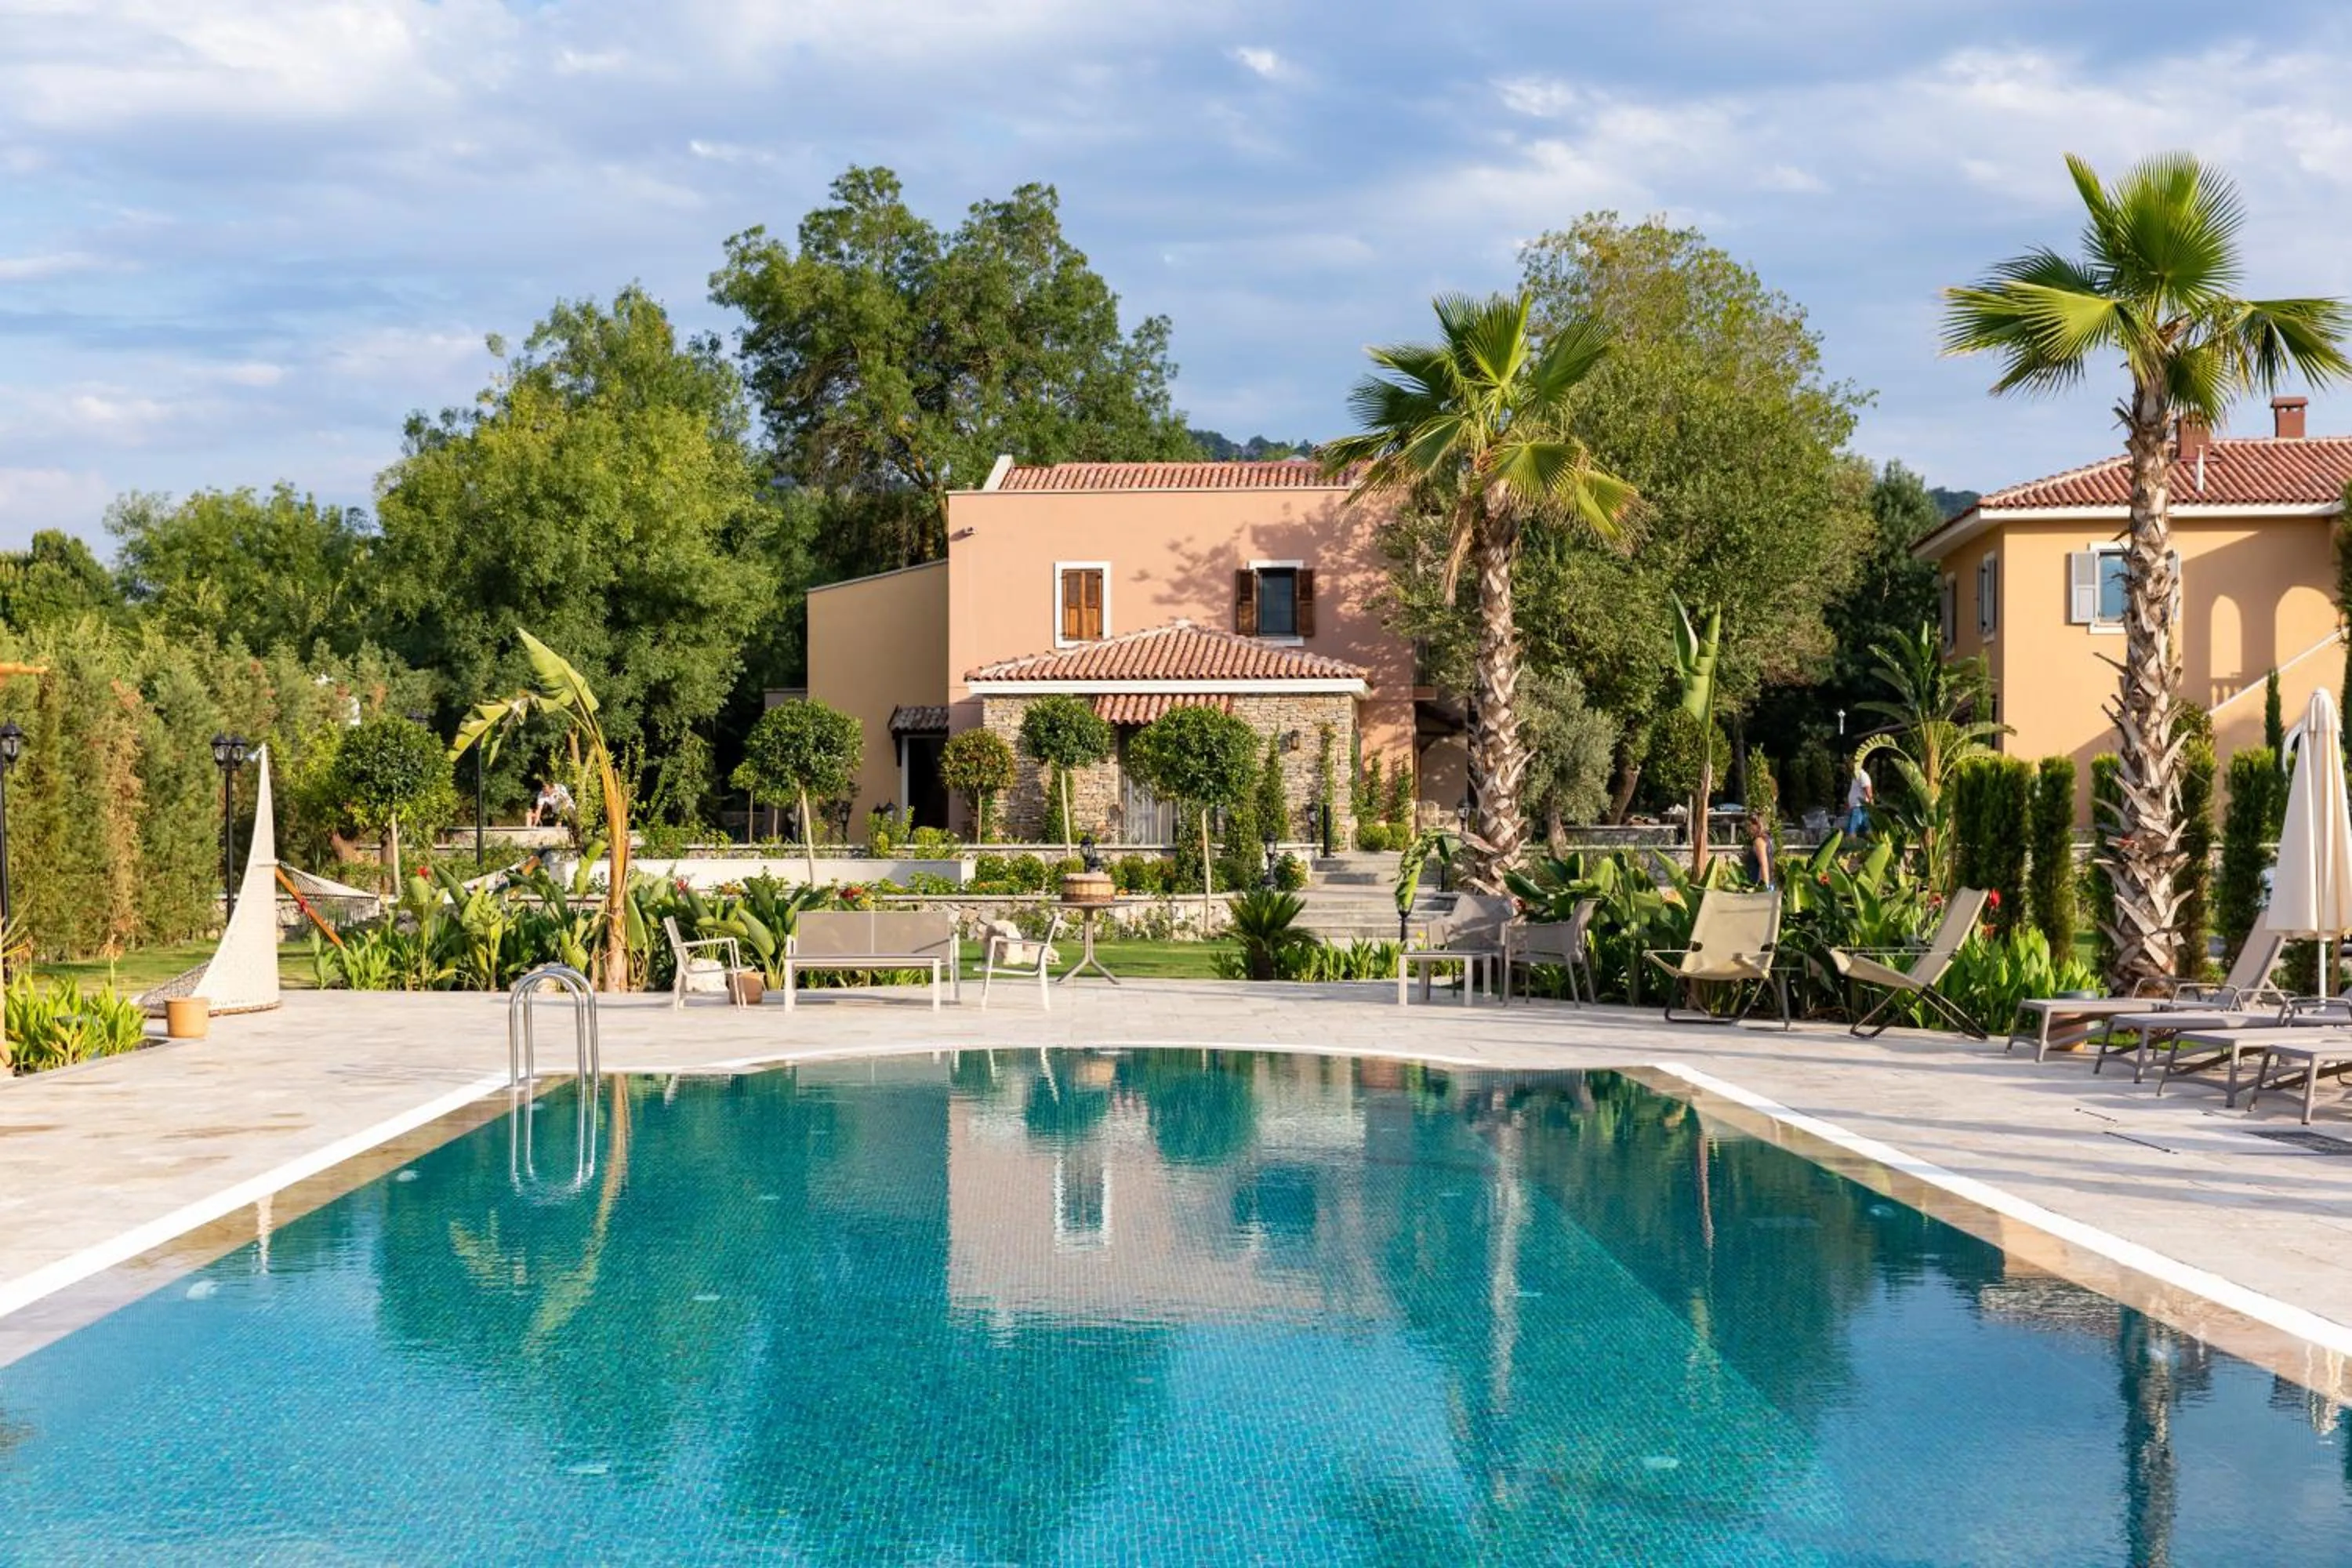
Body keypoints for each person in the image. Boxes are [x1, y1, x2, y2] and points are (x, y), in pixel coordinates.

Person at [1742, 810, 1773, 888]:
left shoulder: (1759, 841)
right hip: (1768, 883)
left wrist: (1765, 888)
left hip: (1758, 885)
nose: (1748, 829)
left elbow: (1764, 865)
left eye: (1749, 825)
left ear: (1757, 825)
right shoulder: (1767, 839)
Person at [1843, 757, 1875, 837]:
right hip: (1856, 807)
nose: (1850, 766)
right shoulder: (1855, 776)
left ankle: (1851, 847)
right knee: (1866, 829)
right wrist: (1848, 803)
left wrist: (1871, 803)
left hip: (1859, 807)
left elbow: (1868, 789)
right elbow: (1854, 792)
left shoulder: (1863, 775)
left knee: (1852, 830)